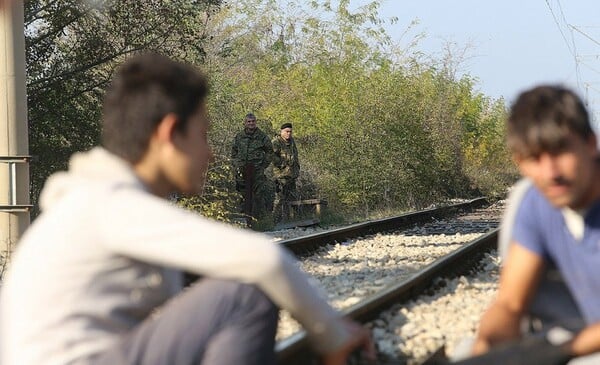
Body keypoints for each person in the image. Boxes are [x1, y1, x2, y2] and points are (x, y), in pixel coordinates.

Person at [0, 53, 375, 365]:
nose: (210, 152)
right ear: (169, 134)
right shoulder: (110, 202)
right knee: (244, 293)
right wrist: (333, 334)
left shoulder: (92, 199)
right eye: (202, 135)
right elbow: (266, 259)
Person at [471, 85, 600, 362]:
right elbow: (509, 303)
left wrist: (561, 351)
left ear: (590, 144)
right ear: (520, 162)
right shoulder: (536, 202)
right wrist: (489, 349)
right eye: (534, 158)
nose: (550, 173)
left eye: (561, 151)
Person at [231, 113, 274, 222]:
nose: (251, 124)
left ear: (256, 122)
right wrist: (236, 164)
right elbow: (234, 151)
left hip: (256, 170)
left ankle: (258, 220)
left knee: (258, 194)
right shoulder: (239, 136)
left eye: (253, 121)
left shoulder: (262, 136)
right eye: (249, 122)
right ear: (245, 123)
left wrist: (263, 165)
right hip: (242, 170)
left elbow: (270, 152)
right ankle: (242, 219)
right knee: (242, 194)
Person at [272, 122, 300, 221]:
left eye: (290, 132)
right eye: (286, 131)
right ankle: (275, 221)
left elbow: (295, 156)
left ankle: (293, 220)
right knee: (279, 199)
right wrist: (282, 165)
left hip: (292, 175)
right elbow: (272, 157)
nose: (289, 133)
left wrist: (296, 169)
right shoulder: (276, 142)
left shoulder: (292, 142)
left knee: (293, 199)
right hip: (281, 176)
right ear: (282, 131)